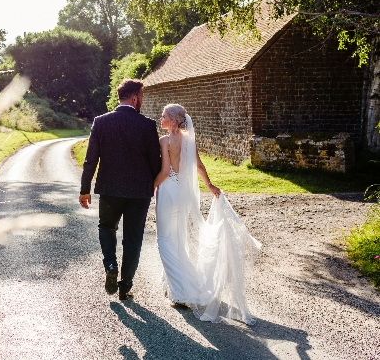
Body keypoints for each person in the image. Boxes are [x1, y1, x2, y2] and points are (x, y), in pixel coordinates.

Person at [154, 103, 261, 325]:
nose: (160, 118)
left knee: (165, 241)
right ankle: (180, 283)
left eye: (163, 116)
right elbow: (199, 166)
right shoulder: (189, 141)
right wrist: (210, 186)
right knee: (177, 240)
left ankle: (181, 291)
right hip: (183, 194)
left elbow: (165, 172)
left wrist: (150, 187)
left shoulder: (164, 141)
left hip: (167, 192)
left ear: (173, 121)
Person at [79, 79, 161, 301]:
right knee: (133, 239)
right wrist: (153, 185)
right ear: (135, 98)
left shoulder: (101, 122)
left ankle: (111, 264)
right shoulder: (147, 125)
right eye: (142, 97)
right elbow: (156, 162)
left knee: (106, 227)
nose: (142, 101)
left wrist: (85, 189)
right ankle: (125, 287)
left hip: (109, 189)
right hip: (139, 192)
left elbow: (90, 160)